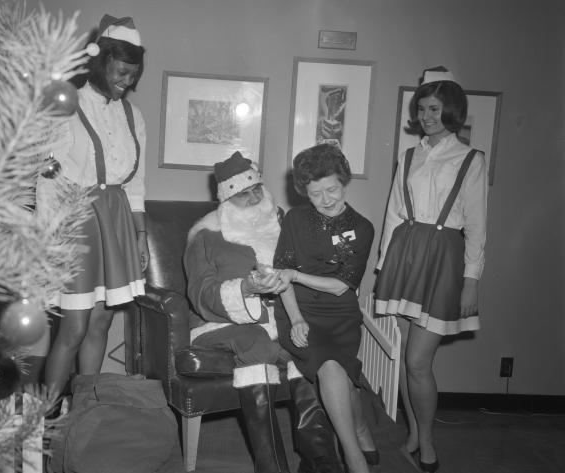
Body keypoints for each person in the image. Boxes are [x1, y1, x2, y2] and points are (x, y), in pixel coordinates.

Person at [184, 151, 342, 473]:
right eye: (245, 194)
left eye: (257, 188)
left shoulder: (283, 221)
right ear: (227, 199)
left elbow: (311, 268)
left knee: (304, 346)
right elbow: (200, 294)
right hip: (221, 322)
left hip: (284, 317)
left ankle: (321, 462)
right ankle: (271, 467)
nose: (255, 198)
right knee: (257, 342)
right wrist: (244, 289)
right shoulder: (205, 236)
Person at [375, 66, 488, 473]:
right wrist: (384, 263)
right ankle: (411, 433)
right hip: (405, 257)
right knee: (407, 357)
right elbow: (393, 212)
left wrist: (471, 282)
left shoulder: (470, 158)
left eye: (435, 108)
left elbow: (476, 227)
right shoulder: (409, 155)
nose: (426, 116)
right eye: (422, 108)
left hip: (443, 261)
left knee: (419, 362)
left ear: (452, 110)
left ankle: (426, 441)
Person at [37, 15, 149, 397]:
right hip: (77, 221)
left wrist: (140, 235)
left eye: (133, 75)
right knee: (75, 327)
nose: (127, 82)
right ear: (100, 62)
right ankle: (43, 423)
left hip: (115, 220)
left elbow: (135, 183)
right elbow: (47, 179)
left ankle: (85, 412)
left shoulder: (134, 117)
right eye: (121, 72)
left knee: (101, 323)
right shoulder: (66, 106)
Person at [274, 143, 377, 473]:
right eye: (316, 193)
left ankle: (360, 429)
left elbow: (341, 285)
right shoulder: (294, 219)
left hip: (340, 315)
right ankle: (354, 455)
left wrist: (295, 274)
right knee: (332, 368)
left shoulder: (362, 227)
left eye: (331, 189)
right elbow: (282, 278)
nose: (326, 199)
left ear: (344, 181)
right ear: (305, 192)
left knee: (342, 375)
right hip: (298, 310)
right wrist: (296, 320)